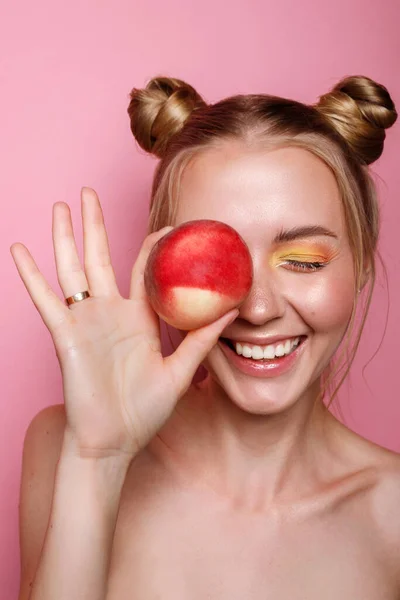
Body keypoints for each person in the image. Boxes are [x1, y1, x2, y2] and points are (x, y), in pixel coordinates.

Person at [11, 74, 400, 599]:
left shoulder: (392, 515)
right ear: (157, 273)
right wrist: (96, 463)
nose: (259, 309)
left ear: (360, 267)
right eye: (213, 263)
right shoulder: (67, 445)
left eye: (304, 262)